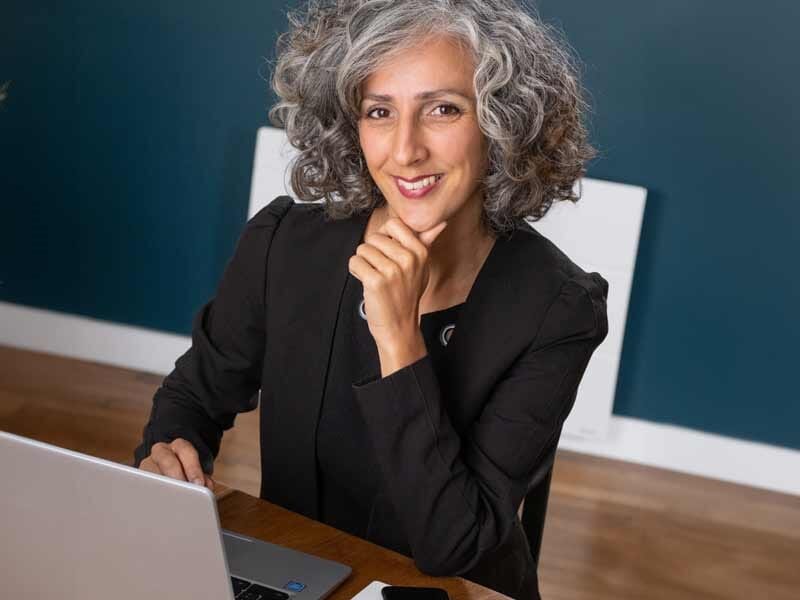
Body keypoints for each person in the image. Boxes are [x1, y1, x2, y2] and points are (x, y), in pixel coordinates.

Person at [134, 1, 608, 598]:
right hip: (298, 570)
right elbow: (195, 394)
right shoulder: (285, 241)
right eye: (380, 111)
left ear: (502, 122)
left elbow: (452, 547)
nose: (405, 150)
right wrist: (168, 453)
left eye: (443, 109)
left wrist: (398, 338)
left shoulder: (559, 309)